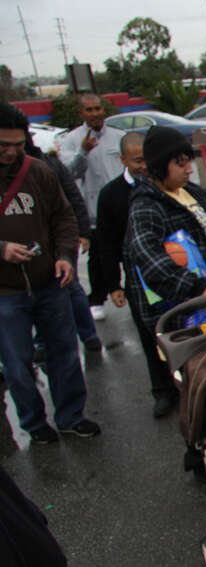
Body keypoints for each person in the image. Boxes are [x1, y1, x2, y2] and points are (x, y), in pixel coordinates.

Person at [124, 127, 206, 447]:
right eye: (180, 163)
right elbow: (148, 257)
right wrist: (196, 289)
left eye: (189, 161)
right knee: (200, 381)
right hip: (186, 311)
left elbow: (205, 237)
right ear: (160, 165)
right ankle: (199, 447)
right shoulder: (146, 205)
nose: (190, 169)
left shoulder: (190, 193)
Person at [0, 102, 102, 444]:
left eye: (17, 143)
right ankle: (33, 422)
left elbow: (64, 217)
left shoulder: (38, 170)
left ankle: (71, 416)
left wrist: (65, 257)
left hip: (49, 283)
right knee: (17, 365)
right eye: (4, 145)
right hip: (6, 293)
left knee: (64, 354)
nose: (12, 152)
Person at [95, 131, 180, 418]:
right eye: (137, 160)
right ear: (123, 159)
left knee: (179, 334)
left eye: (147, 159)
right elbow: (105, 242)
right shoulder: (112, 194)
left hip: (173, 275)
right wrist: (113, 285)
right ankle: (162, 392)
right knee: (150, 337)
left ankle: (184, 387)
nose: (143, 166)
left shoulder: (167, 189)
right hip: (138, 281)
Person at [24, 133, 102, 353]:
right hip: (36, 246)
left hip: (56, 243)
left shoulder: (48, 166)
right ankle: (45, 342)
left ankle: (88, 336)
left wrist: (82, 232)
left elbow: (71, 198)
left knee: (69, 287)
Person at [58, 93, 125, 321]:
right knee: (99, 257)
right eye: (89, 110)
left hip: (123, 208)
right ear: (81, 113)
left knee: (130, 253)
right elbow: (69, 173)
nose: (95, 113)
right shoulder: (71, 140)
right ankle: (97, 299)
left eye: (98, 108)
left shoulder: (119, 137)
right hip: (95, 211)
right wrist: (83, 151)